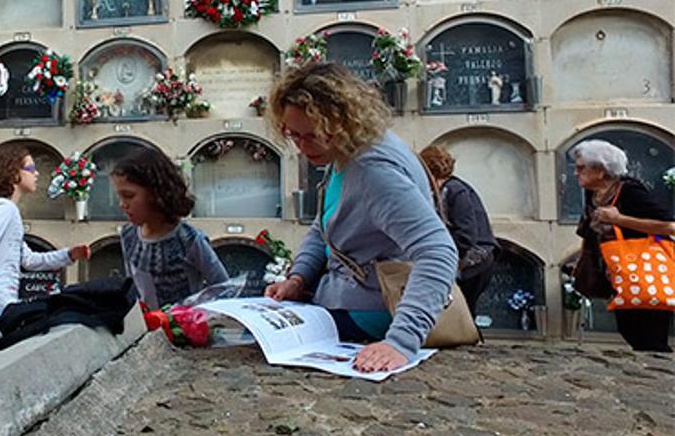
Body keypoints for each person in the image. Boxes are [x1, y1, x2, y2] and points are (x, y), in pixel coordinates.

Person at [262, 63, 458, 373]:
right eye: (293, 135)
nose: (302, 147)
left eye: (311, 135)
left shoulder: (373, 170)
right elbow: (323, 227)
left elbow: (438, 251)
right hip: (348, 299)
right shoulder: (344, 152)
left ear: (339, 122)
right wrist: (298, 278)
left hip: (371, 310)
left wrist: (401, 343)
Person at [0, 143, 90, 330]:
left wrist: (68, 255)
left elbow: (28, 260)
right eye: (31, 169)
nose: (36, 174)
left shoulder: (6, 209)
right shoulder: (5, 208)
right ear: (13, 173)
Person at [572, 140, 673, 352]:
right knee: (629, 330)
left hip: (645, 272)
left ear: (600, 170)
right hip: (617, 273)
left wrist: (620, 220)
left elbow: (669, 226)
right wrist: (582, 261)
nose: (575, 173)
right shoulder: (594, 193)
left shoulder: (629, 191)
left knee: (650, 337)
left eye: (581, 168)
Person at [110, 148, 229, 309]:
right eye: (120, 196)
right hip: (146, 329)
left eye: (129, 196)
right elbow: (133, 288)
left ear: (155, 193)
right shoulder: (128, 236)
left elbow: (223, 287)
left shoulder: (189, 239)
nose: (122, 205)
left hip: (184, 329)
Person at [419, 145, 499, 316]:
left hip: (473, 261)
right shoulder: (445, 190)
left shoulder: (454, 190)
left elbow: (466, 234)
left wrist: (445, 259)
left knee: (461, 312)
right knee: (463, 313)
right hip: (470, 258)